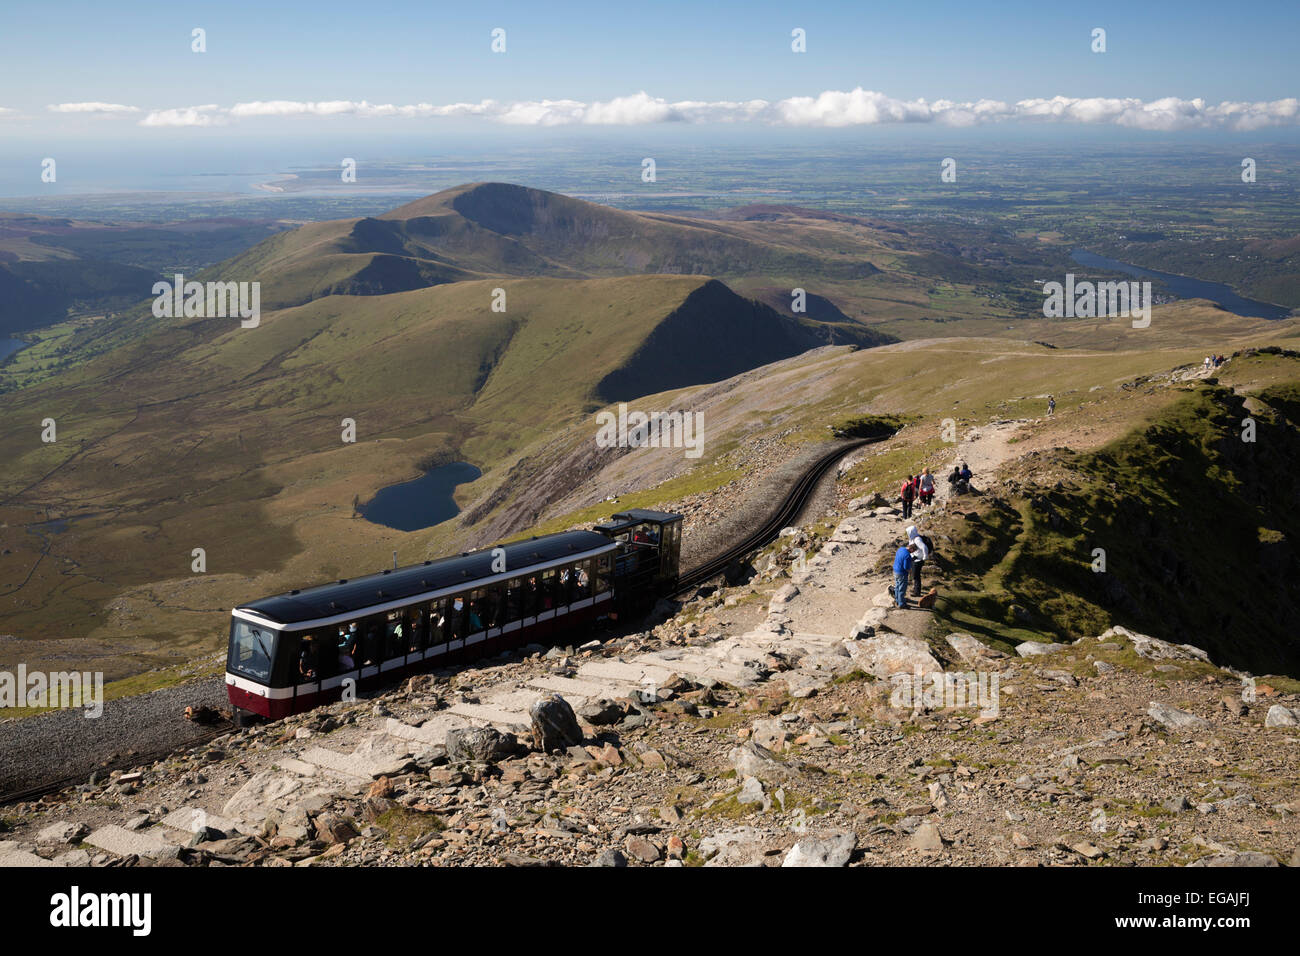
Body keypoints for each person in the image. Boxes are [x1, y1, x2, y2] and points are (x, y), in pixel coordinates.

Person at [906, 524, 929, 596]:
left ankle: (917, 592)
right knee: (914, 575)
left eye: (908, 532)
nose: (908, 534)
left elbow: (924, 547)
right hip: (915, 558)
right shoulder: (913, 538)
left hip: (918, 560)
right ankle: (916, 589)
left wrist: (925, 556)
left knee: (916, 576)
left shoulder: (917, 539)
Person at [892, 542, 915, 608]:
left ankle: (897, 600)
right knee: (902, 589)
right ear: (912, 549)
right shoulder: (907, 555)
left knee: (897, 587)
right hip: (902, 573)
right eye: (913, 551)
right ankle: (901, 604)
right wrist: (910, 571)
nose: (912, 552)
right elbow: (906, 567)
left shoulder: (900, 549)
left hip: (895, 570)